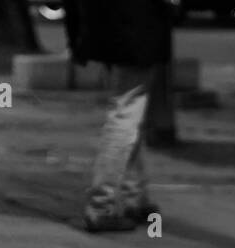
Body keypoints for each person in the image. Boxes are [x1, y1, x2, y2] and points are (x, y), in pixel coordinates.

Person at [64, 0, 177, 233]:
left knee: (128, 113)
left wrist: (76, 35)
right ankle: (102, 205)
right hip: (136, 27)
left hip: (105, 25)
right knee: (125, 113)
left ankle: (134, 196)